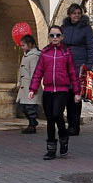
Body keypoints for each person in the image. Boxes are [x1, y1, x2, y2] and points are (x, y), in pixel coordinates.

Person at [28, 25, 81, 159]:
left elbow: (73, 73)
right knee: (50, 118)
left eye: (57, 35)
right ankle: (51, 149)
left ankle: (63, 137)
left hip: (62, 90)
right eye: (52, 35)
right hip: (48, 90)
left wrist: (77, 92)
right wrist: (33, 89)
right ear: (49, 37)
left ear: (62, 37)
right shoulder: (45, 52)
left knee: (57, 114)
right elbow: (38, 72)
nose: (55, 38)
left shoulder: (67, 52)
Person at [60, 3, 93, 135]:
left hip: (80, 66)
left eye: (79, 13)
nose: (77, 15)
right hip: (65, 65)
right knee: (67, 95)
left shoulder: (86, 29)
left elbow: (91, 48)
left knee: (76, 96)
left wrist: (89, 66)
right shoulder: (64, 28)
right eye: (74, 13)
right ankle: (69, 123)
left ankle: (75, 125)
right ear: (70, 14)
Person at [16, 34, 42, 133]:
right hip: (24, 86)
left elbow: (34, 72)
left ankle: (32, 125)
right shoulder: (26, 56)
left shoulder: (34, 57)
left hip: (31, 86)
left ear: (30, 45)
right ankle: (33, 122)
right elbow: (21, 71)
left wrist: (33, 86)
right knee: (21, 106)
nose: (22, 47)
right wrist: (19, 83)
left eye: (23, 45)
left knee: (30, 107)